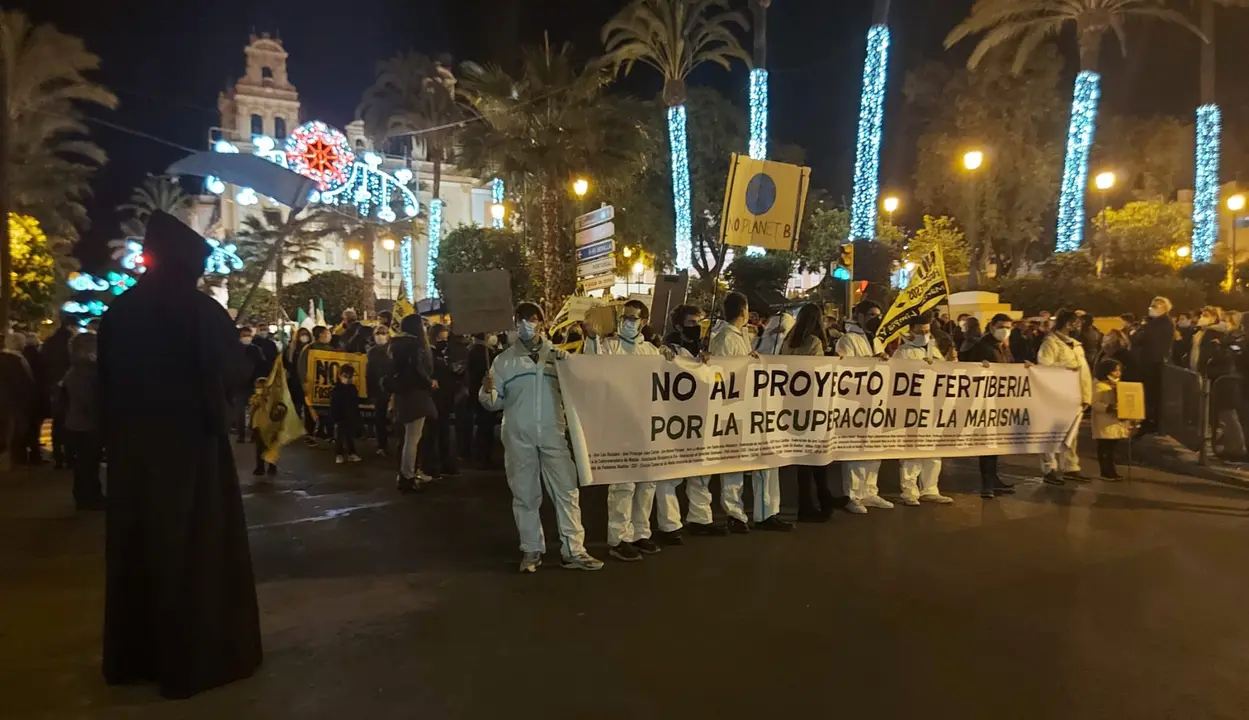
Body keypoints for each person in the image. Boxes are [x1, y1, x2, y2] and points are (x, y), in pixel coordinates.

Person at [98, 211, 261, 699]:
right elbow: (230, 377)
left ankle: (136, 657)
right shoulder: (201, 311)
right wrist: (243, 362)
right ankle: (195, 658)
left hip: (133, 457)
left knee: (141, 548)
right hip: (191, 456)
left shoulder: (118, 313)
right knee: (193, 550)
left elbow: (107, 384)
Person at [480, 302, 603, 572]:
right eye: (522, 319)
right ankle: (531, 550)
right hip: (517, 435)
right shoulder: (503, 361)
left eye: (533, 318)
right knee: (524, 493)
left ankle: (574, 550)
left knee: (567, 491)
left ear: (542, 322)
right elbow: (493, 403)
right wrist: (487, 392)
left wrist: (592, 339)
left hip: (554, 434)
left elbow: (591, 375)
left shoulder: (558, 357)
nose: (527, 324)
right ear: (514, 323)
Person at [587, 300, 668, 561]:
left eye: (633, 318)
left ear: (643, 322)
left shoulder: (651, 352)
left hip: (647, 424)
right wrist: (591, 339)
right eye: (625, 317)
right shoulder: (610, 347)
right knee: (623, 483)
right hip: (620, 424)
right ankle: (619, 537)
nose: (627, 322)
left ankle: (641, 532)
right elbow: (591, 367)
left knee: (647, 481)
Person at [708, 292, 792, 532]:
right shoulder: (724, 338)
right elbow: (722, 374)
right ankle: (735, 514)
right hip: (733, 408)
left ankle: (767, 512)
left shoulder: (742, 336)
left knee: (766, 459)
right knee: (735, 462)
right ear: (743, 311)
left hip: (754, 406)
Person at [657, 304, 723, 540]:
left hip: (700, 417)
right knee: (671, 473)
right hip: (674, 419)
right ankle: (670, 525)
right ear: (678, 325)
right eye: (692, 323)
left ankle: (700, 518)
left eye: (700, 323)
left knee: (701, 471)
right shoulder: (668, 349)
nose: (697, 328)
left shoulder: (702, 349)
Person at [781, 303, 839, 521]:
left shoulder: (788, 341)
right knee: (814, 456)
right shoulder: (814, 342)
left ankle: (820, 499)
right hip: (812, 405)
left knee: (806, 457)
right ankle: (811, 504)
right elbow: (816, 373)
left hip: (793, 404)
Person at [890, 313, 954, 506]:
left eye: (927, 331)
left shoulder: (934, 350)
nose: (924, 334)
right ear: (911, 331)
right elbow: (898, 377)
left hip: (934, 406)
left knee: (934, 449)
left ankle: (930, 488)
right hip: (913, 406)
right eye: (920, 331)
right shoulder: (904, 352)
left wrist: (951, 363)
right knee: (912, 449)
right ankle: (909, 490)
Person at [836, 300, 891, 514]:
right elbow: (846, 367)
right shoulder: (847, 339)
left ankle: (870, 491)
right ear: (858, 316)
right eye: (870, 315)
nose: (875, 319)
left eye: (878, 314)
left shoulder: (877, 340)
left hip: (876, 398)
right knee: (855, 449)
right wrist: (871, 361)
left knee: (874, 447)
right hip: (856, 400)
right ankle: (853, 494)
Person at [961, 313, 1021, 499]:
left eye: (1009, 327)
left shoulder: (1004, 347)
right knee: (987, 443)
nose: (1006, 331)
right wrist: (979, 366)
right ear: (992, 326)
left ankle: (993, 479)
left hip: (1000, 401)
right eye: (1002, 326)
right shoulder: (982, 346)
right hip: (986, 402)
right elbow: (968, 367)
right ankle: (987, 485)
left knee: (995, 444)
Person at [1037, 309, 1093, 485]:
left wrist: (1086, 395)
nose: (1078, 326)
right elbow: (1044, 367)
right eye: (1075, 322)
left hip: (1075, 395)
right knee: (1051, 433)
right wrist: (1067, 367)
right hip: (1056, 396)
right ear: (1067, 323)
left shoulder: (1076, 345)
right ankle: (1049, 468)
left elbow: (1084, 373)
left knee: (1072, 434)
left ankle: (1071, 467)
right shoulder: (1050, 343)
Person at [387, 314, 437, 492]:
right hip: (416, 395)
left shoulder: (395, 344)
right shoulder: (415, 345)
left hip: (401, 395)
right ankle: (408, 476)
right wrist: (429, 382)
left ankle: (403, 473)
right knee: (413, 439)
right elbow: (418, 369)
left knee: (405, 437)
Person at [61, 332, 104, 509]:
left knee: (86, 462)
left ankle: (87, 495)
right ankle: (89, 497)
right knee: (88, 463)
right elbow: (87, 400)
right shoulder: (84, 371)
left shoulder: (76, 369)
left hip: (78, 423)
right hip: (85, 424)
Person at [422, 323, 461, 479]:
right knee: (432, 434)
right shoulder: (429, 353)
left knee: (444, 432)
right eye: (441, 338)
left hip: (445, 398)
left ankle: (446, 464)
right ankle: (431, 466)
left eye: (446, 338)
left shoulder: (444, 353)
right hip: (435, 398)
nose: (444, 341)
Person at [42, 317, 75, 469]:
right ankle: (69, 454)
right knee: (69, 421)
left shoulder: (50, 342)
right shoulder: (71, 342)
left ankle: (58, 455)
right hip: (69, 385)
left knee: (58, 421)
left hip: (53, 385)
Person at [465, 333, 500, 466]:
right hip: (482, 392)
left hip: (479, 392)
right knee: (485, 426)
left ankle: (483, 455)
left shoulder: (478, 350)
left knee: (485, 425)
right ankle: (482, 456)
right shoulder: (480, 352)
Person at [1092, 359, 1130, 480]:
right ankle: (1105, 471)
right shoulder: (1099, 386)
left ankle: (1111, 471)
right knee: (1105, 447)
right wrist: (1107, 408)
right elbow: (1094, 403)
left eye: (1119, 370)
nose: (1118, 373)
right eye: (1115, 370)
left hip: (1115, 421)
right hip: (1104, 422)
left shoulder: (1119, 385)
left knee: (1112, 448)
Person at [0, 332, 34, 465]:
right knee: (15, 432)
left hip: (5, 401)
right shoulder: (17, 360)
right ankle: (15, 460)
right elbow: (24, 383)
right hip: (13, 402)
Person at [298, 326, 335, 441]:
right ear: (320, 335)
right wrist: (304, 382)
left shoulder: (331, 349)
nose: (328, 335)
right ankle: (310, 433)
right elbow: (302, 367)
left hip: (326, 385)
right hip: (312, 384)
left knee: (327, 409)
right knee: (311, 410)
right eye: (326, 333)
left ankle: (326, 432)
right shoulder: (309, 349)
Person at [234, 327, 267, 443]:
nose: (247, 337)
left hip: (254, 384)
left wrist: (260, 380)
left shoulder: (256, 350)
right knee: (239, 411)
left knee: (254, 410)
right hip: (239, 384)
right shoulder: (234, 349)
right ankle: (240, 434)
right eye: (244, 335)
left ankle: (254, 432)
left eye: (248, 335)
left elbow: (262, 365)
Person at [366, 324, 394, 455]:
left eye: (383, 333)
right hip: (379, 390)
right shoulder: (372, 352)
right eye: (378, 333)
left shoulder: (393, 350)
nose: (380, 336)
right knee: (380, 419)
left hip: (393, 389)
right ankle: (382, 445)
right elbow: (369, 373)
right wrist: (371, 392)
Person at [21, 332, 49, 463]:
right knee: (35, 427)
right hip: (36, 396)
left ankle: (24, 453)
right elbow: (43, 378)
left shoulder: (21, 356)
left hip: (24, 398)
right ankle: (35, 454)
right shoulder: (39, 357)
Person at [330, 365, 362, 464]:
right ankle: (339, 454)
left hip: (350, 415)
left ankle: (351, 453)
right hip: (340, 416)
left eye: (350, 376)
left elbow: (356, 403)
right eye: (345, 376)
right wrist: (334, 418)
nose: (347, 379)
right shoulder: (336, 390)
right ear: (340, 376)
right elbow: (334, 405)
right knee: (339, 436)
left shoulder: (353, 389)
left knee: (350, 436)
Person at [247, 378, 279, 476]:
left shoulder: (271, 398)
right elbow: (251, 411)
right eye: (257, 387)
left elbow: (274, 410)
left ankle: (272, 466)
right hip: (258, 426)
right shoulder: (254, 398)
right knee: (259, 448)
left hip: (270, 426)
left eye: (261, 387)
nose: (259, 389)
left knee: (270, 447)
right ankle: (260, 467)